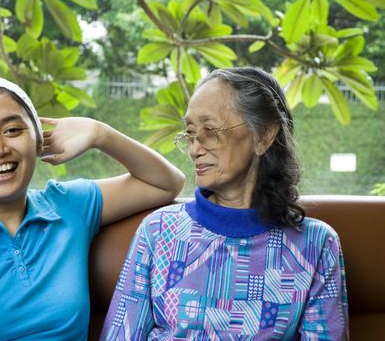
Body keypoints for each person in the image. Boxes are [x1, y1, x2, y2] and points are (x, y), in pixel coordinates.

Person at [0, 76, 185, 340]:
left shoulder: (69, 206)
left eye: (13, 130)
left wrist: (99, 134)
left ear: (38, 140)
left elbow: (166, 182)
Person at [101, 67, 349, 340]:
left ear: (263, 136)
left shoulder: (316, 244)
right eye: (191, 133)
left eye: (210, 130)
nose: (195, 149)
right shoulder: (159, 231)